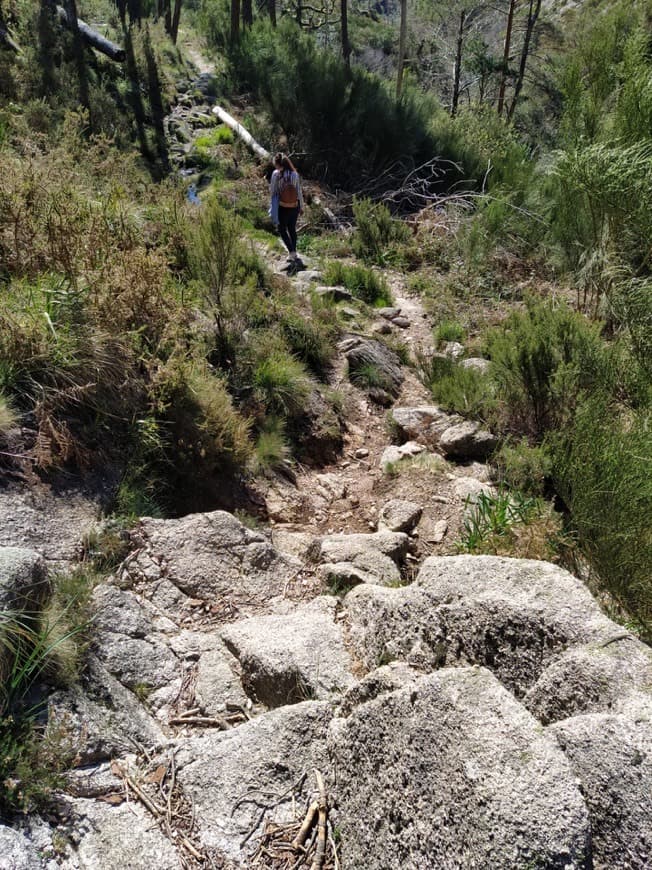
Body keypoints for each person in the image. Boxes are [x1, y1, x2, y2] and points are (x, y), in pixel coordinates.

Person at [270, 153, 304, 262]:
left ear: (278, 164)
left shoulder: (276, 174)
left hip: (282, 207)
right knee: (292, 229)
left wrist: (273, 206)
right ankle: (293, 252)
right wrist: (301, 206)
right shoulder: (295, 174)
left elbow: (273, 191)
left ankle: (291, 252)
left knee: (281, 229)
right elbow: (299, 192)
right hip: (294, 206)